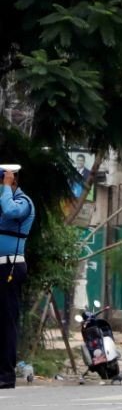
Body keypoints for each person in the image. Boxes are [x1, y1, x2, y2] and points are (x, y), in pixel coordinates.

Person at [0, 164, 34, 390]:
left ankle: (6, 375)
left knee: (6, 322)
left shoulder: (23, 202)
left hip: (10, 268)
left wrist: (6, 188)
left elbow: (12, 212)